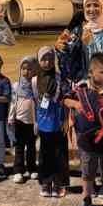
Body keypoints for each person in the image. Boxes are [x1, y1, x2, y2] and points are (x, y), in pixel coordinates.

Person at [62, 52, 103, 206]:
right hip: (87, 142)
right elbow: (65, 99)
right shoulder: (81, 88)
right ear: (91, 72)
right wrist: (76, 104)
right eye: (102, 72)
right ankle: (87, 198)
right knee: (87, 173)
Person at [55, 0, 103, 92]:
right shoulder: (78, 30)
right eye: (88, 6)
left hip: (100, 88)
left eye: (96, 5)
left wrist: (90, 45)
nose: (91, 9)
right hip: (79, 86)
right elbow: (69, 62)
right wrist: (61, 49)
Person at [34, 46, 70, 197]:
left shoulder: (60, 78)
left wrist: (67, 120)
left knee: (60, 154)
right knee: (45, 154)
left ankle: (59, 183)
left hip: (58, 121)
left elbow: (68, 99)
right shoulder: (35, 80)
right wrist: (35, 123)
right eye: (43, 59)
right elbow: (34, 102)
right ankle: (46, 182)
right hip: (43, 124)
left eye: (50, 58)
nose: (47, 62)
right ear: (38, 61)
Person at [8, 56, 38, 184]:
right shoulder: (16, 85)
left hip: (33, 121)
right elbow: (13, 102)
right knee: (19, 147)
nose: (26, 72)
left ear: (35, 70)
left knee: (31, 147)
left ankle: (32, 168)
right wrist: (11, 117)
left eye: (30, 69)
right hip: (19, 120)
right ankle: (18, 171)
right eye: (24, 69)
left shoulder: (36, 86)